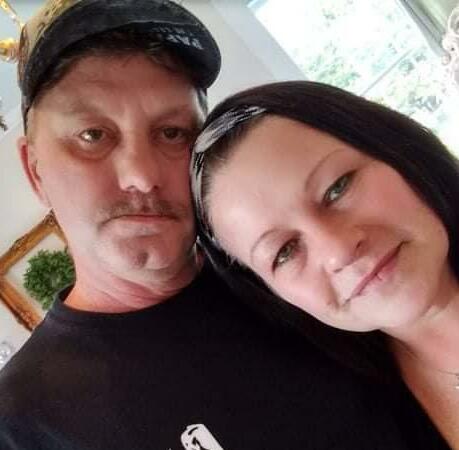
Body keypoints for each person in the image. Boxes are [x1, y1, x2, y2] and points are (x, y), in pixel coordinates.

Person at [0, 2, 423, 449]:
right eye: (92, 136)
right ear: (35, 170)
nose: (141, 175)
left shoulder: (308, 277)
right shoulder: (21, 424)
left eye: (172, 132)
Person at [191, 80, 459, 449]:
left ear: (394, 149)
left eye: (338, 187)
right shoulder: (358, 421)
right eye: (285, 251)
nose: (339, 251)